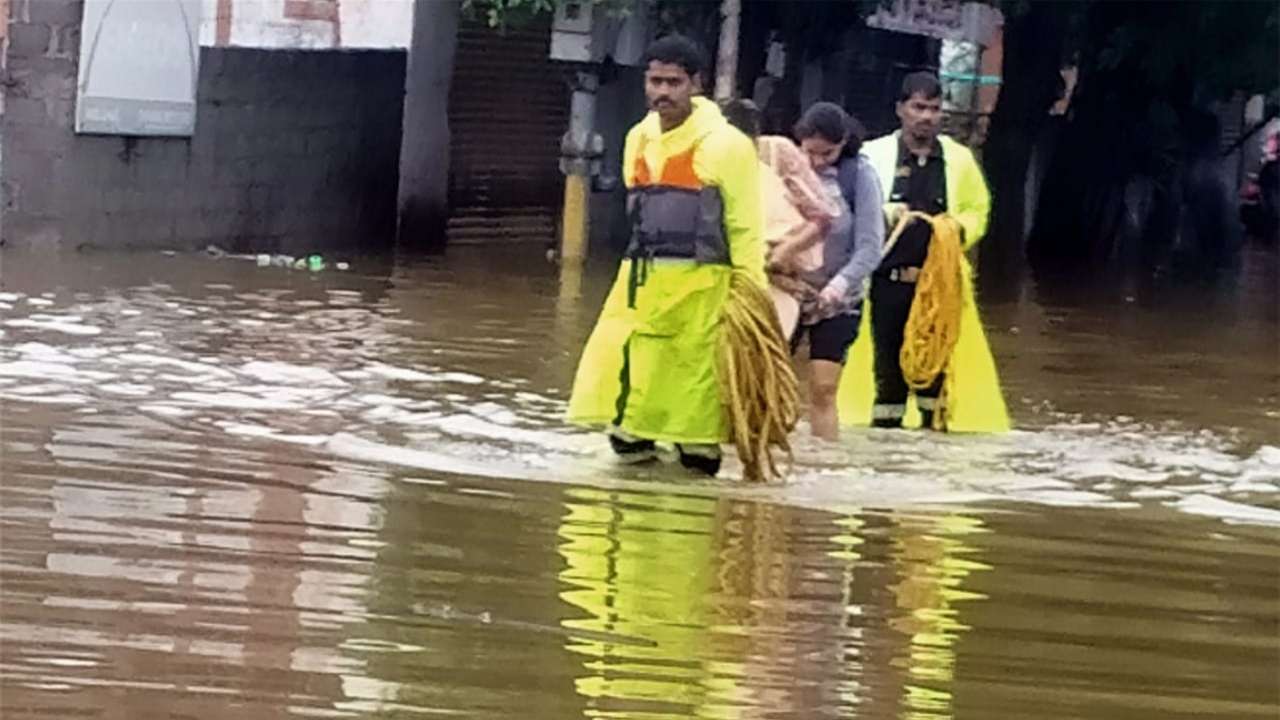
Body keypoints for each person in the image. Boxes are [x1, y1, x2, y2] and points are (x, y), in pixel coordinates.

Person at [565, 35, 763, 476]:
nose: (662, 92)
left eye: (673, 82)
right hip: (639, 291)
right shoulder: (638, 138)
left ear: (696, 84)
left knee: (696, 433)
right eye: (655, 81)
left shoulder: (728, 146)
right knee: (627, 423)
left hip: (703, 297)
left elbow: (746, 227)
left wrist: (751, 298)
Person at [838, 72, 1009, 432]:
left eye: (934, 108)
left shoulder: (959, 160)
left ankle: (934, 434)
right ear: (901, 109)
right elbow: (849, 212)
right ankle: (886, 447)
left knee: (936, 372)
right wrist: (884, 216)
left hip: (939, 288)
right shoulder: (873, 156)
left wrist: (954, 229)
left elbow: (979, 210)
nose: (926, 116)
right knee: (887, 371)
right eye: (918, 107)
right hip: (885, 284)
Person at [789, 102, 885, 440]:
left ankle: (824, 463)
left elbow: (871, 246)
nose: (816, 162)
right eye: (810, 153)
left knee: (823, 389)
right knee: (770, 381)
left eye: (826, 154)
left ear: (843, 144)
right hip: (789, 291)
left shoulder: (858, 175)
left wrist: (838, 286)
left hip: (839, 299)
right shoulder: (785, 170)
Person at [720, 98, 839, 340]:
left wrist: (784, 251)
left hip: (777, 277)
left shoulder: (776, 152)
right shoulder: (710, 160)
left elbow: (823, 216)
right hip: (726, 278)